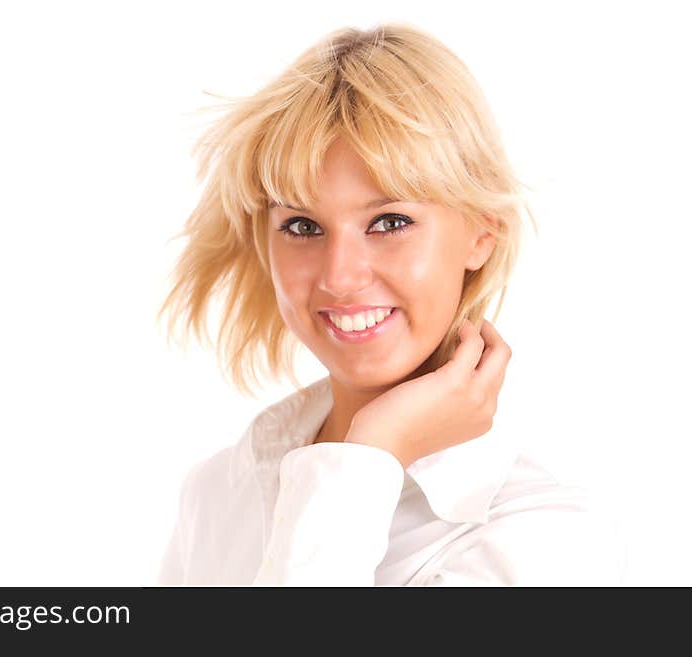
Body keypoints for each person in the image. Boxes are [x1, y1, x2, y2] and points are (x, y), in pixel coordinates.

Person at [155, 22, 626, 586]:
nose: (341, 276)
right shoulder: (216, 495)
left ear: (481, 234)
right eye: (302, 225)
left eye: (390, 221)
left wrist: (370, 455)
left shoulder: (546, 540)